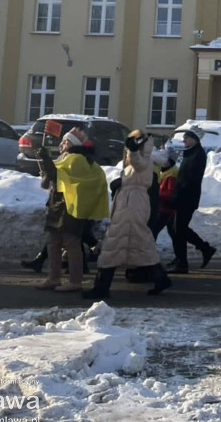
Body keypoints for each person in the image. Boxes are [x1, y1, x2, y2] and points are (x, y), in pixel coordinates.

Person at [84, 130, 171, 299]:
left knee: (113, 244)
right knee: (140, 244)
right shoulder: (141, 161)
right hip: (131, 204)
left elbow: (137, 163)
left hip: (132, 206)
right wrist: (122, 183)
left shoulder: (143, 159)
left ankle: (101, 288)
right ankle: (160, 278)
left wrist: (132, 151)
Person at [37, 127, 109, 292]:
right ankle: (53, 278)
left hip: (70, 207)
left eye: (66, 141)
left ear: (74, 144)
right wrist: (46, 161)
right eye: (62, 140)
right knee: (54, 243)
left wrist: (46, 159)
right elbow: (51, 179)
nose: (62, 144)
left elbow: (58, 176)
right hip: (59, 205)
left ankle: (75, 281)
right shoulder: (66, 158)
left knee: (71, 243)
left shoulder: (76, 159)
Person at [169, 128, 217, 273]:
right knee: (175, 229)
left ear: (195, 139)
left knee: (179, 229)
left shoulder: (198, 155)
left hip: (187, 197)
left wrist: (179, 193)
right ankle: (193, 253)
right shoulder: (190, 153)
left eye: (187, 138)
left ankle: (183, 263)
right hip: (182, 196)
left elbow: (191, 179)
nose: (184, 140)